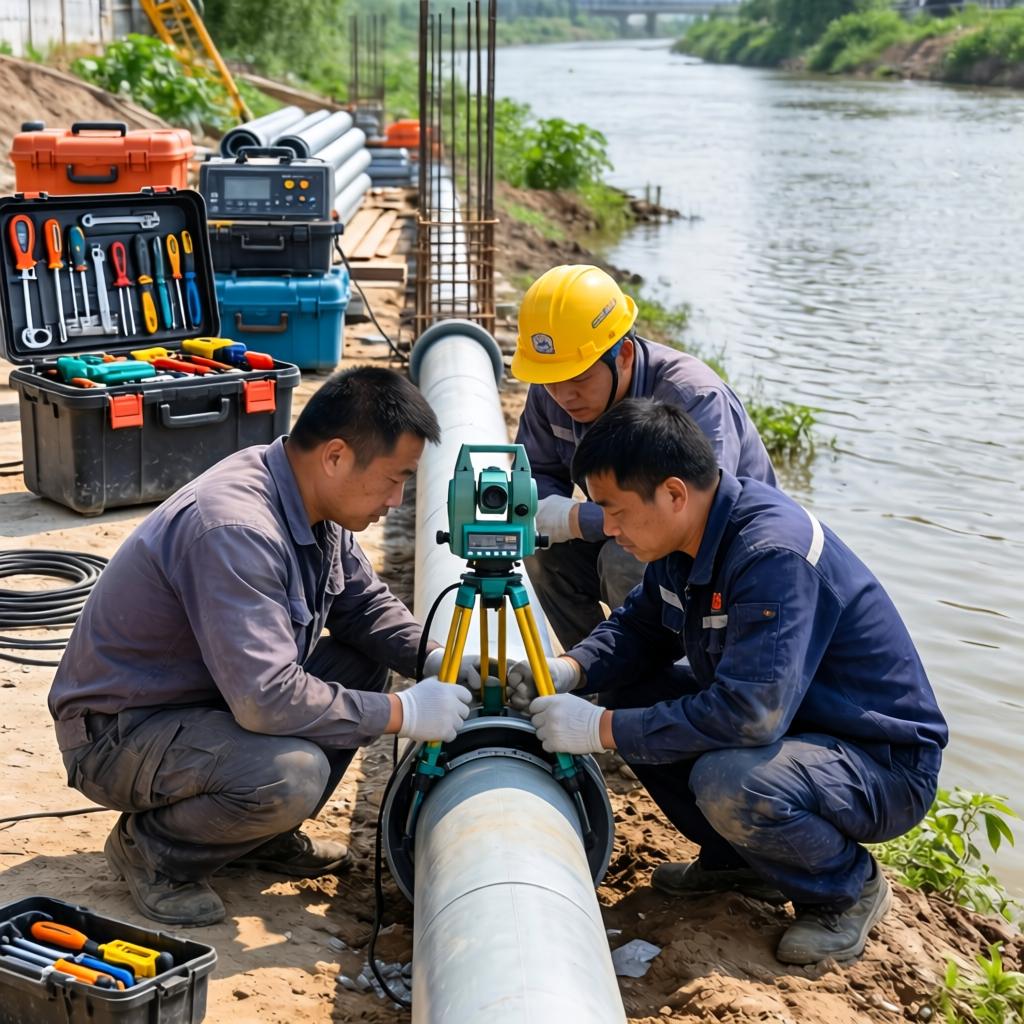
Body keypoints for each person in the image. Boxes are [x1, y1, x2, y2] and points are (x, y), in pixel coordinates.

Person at [508, 399, 947, 964]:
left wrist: (601, 729)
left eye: (615, 511)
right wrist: (566, 671)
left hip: (879, 760)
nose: (608, 530)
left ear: (672, 493)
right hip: (797, 730)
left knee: (730, 779)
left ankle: (846, 889)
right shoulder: (683, 540)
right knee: (629, 690)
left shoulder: (772, 556)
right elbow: (637, 631)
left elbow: (748, 715)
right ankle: (737, 859)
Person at [48, 367, 478, 927]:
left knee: (362, 659)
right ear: (336, 456)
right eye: (395, 479)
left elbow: (363, 607)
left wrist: (440, 658)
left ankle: (254, 834)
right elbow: (265, 699)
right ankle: (154, 851)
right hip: (120, 732)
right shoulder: (237, 527)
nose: (397, 501)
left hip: (203, 705)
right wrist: (405, 712)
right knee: (290, 775)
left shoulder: (309, 499)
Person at [512, 264, 776, 651]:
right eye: (551, 380)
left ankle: (657, 684)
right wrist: (556, 513)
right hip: (634, 528)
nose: (564, 395)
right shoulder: (551, 392)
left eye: (580, 378)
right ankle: (592, 673)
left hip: (723, 558)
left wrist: (584, 519)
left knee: (625, 562)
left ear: (624, 355)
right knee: (540, 547)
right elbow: (535, 476)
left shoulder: (693, 397)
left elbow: (696, 515)